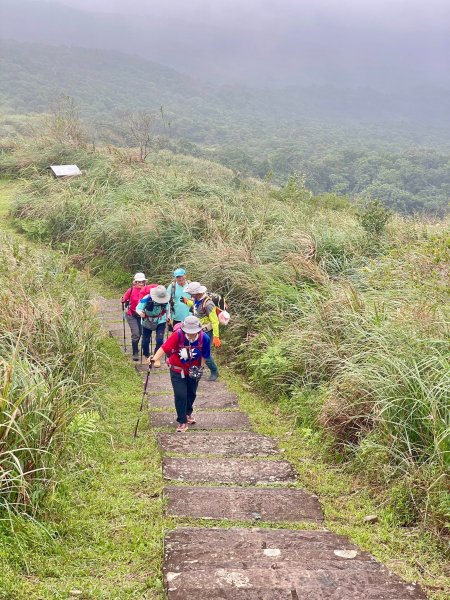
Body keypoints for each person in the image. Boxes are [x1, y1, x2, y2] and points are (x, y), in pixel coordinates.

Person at [149, 315, 211, 432]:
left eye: (194, 332)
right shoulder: (178, 335)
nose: (191, 334)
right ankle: (182, 421)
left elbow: (204, 355)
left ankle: (188, 413)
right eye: (189, 331)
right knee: (180, 395)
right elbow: (164, 347)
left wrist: (200, 369)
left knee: (191, 393)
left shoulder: (205, 338)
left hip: (194, 370)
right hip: (177, 369)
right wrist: (154, 358)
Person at [184, 281, 220, 381]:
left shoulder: (208, 304)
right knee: (196, 350)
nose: (190, 295)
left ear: (197, 293)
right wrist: (187, 302)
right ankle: (197, 369)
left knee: (205, 353)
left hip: (206, 331)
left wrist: (216, 336)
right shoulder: (197, 299)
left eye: (191, 293)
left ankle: (214, 371)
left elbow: (215, 321)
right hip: (197, 330)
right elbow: (196, 307)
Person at [136, 285, 170, 367]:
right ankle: (147, 356)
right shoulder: (147, 298)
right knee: (145, 341)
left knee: (160, 340)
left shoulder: (165, 300)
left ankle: (156, 357)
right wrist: (141, 313)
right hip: (147, 321)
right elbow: (138, 308)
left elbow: (168, 309)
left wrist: (168, 318)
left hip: (160, 320)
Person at [122, 273, 151, 361]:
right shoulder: (130, 290)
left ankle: (135, 347)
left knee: (141, 333)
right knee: (136, 333)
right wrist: (124, 301)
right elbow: (123, 299)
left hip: (142, 315)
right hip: (131, 314)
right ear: (135, 282)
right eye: (139, 282)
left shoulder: (147, 290)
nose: (141, 283)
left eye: (143, 281)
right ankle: (135, 352)